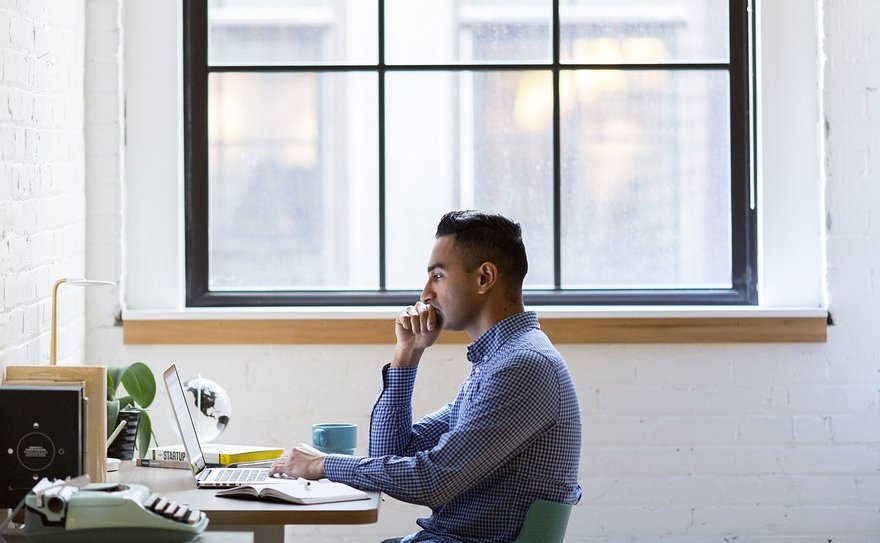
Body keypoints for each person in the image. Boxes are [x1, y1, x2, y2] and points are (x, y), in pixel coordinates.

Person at [270, 210, 582, 542]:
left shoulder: (522, 366)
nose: (425, 294)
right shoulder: (497, 362)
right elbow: (389, 454)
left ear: (484, 278)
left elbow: (433, 481)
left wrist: (322, 465)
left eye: (438, 275)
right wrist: (407, 353)